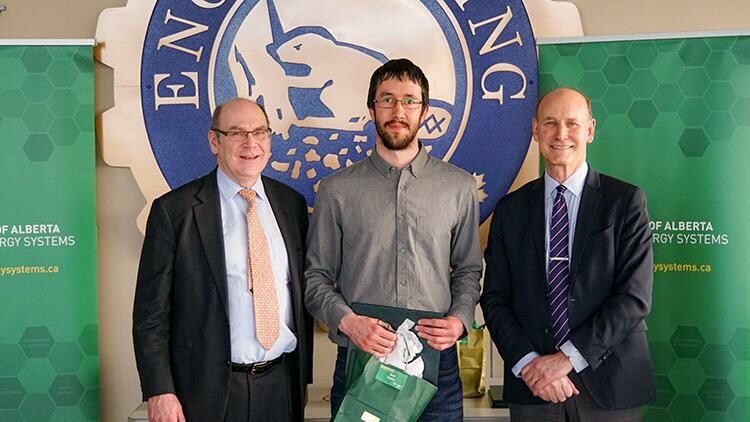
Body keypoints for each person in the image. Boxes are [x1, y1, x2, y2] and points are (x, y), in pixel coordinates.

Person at [305, 58, 482, 420]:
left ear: (425, 110)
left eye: (409, 100)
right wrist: (349, 323)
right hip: (362, 363)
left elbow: (467, 268)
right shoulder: (336, 190)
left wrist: (460, 319)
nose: (397, 110)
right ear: (371, 109)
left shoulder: (459, 187)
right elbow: (315, 278)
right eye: (386, 99)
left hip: (437, 366)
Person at [480, 87, 656, 421]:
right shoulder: (510, 210)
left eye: (572, 124)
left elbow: (634, 297)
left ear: (590, 129)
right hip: (532, 388)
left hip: (610, 387)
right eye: (550, 123)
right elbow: (495, 299)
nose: (561, 134)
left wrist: (566, 360)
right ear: (535, 130)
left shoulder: (625, 202)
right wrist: (529, 364)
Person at [133, 98, 312, 422]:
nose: (250, 143)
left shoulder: (291, 205)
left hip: (282, 387)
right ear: (215, 141)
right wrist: (160, 390)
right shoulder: (175, 212)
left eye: (259, 132)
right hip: (206, 393)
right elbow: (150, 316)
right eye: (237, 133)